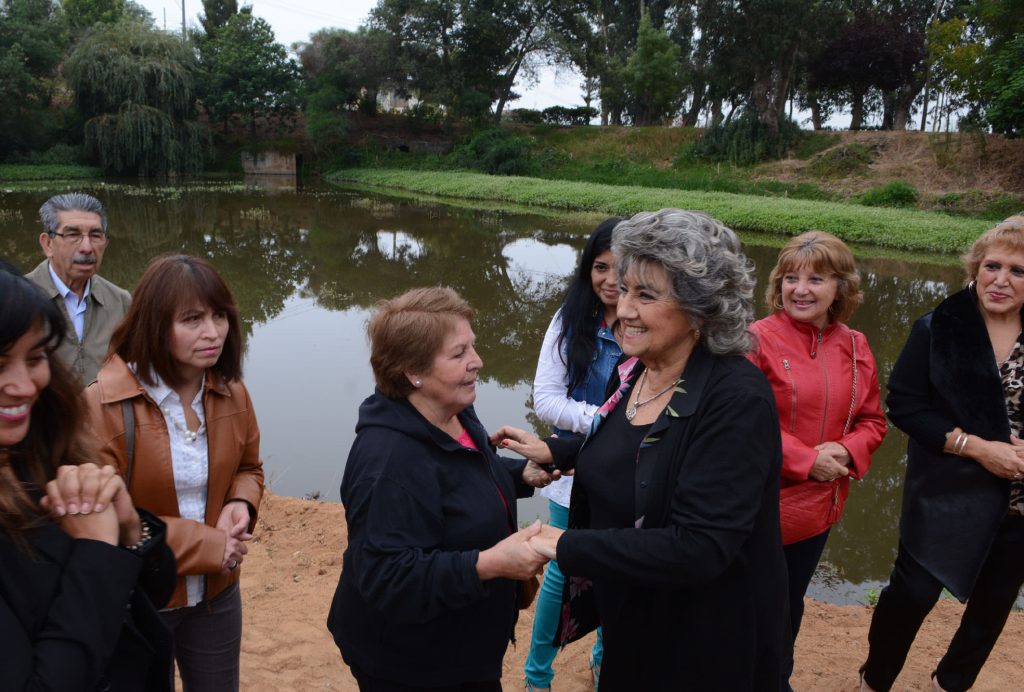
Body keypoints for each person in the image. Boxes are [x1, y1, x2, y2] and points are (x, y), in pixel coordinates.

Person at [496, 209, 788, 690]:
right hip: (633, 613)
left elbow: (700, 547)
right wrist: (559, 451)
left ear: (700, 308)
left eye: (646, 295)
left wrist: (564, 544)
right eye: (625, 288)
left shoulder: (737, 399)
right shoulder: (637, 370)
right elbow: (634, 444)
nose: (624, 308)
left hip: (703, 637)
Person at [326, 287, 555, 690]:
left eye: (473, 347)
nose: (478, 362)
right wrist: (491, 563)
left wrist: (521, 475)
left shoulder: (453, 410)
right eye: (459, 354)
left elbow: (458, 473)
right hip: (415, 663)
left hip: (464, 646)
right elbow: (386, 576)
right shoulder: (388, 462)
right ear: (412, 371)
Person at [84, 255, 264, 692]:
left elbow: (249, 466)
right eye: (192, 319)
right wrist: (211, 545)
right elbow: (103, 519)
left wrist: (241, 502)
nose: (213, 332)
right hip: (141, 596)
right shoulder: (103, 405)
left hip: (217, 595)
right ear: (153, 323)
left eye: (219, 315)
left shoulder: (230, 390)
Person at [861, 216, 1024, 692]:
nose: (1001, 279)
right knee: (911, 593)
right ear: (975, 268)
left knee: (994, 603)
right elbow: (905, 403)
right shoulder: (937, 327)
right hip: (944, 488)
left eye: (1019, 270)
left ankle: (951, 682)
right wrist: (975, 447)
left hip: (1019, 500)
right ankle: (876, 678)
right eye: (992, 265)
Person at [0, 260, 175, 690]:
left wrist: (130, 530)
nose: (23, 385)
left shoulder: (45, 451)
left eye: (36, 357)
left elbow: (144, 598)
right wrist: (97, 549)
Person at [748, 231, 887, 690]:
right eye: (790, 277)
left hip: (819, 510)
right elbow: (740, 425)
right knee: (749, 606)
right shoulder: (755, 340)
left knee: (790, 602)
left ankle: (775, 679)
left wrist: (847, 449)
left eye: (816, 278)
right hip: (758, 508)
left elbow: (873, 421)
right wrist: (806, 459)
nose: (800, 289)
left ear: (840, 288)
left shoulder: (856, 345)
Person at [525, 217, 622, 691]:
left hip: (631, 475)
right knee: (562, 571)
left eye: (622, 269)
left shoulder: (651, 321)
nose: (610, 280)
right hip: (570, 474)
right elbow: (544, 399)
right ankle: (536, 676)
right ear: (587, 269)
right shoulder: (569, 320)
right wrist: (609, 423)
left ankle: (604, 659)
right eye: (600, 266)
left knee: (618, 568)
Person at [25, 193, 132, 385]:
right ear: (47, 244)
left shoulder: (121, 301)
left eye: (96, 235)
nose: (87, 247)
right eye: (73, 235)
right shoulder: (16, 300)